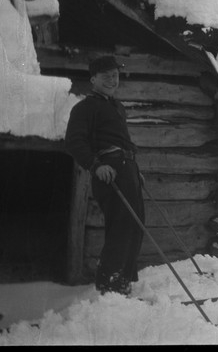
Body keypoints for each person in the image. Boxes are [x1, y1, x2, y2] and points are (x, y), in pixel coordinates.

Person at [64, 55, 145, 296]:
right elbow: (74, 142)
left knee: (136, 223)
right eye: (106, 76)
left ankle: (123, 279)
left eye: (115, 75)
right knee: (122, 225)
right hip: (109, 170)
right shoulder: (84, 108)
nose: (112, 80)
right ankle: (110, 283)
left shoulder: (117, 107)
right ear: (93, 80)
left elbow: (123, 142)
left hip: (126, 167)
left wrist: (135, 169)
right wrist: (95, 165)